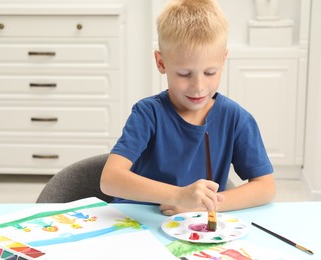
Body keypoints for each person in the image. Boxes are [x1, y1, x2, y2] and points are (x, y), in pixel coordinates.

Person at [100, 0, 276, 216]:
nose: (198, 87)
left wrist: (206, 205)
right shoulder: (148, 114)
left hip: (192, 226)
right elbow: (109, 180)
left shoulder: (236, 119)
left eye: (210, 72)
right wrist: (177, 195)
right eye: (184, 74)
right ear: (161, 63)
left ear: (223, 61)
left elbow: (266, 187)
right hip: (138, 223)